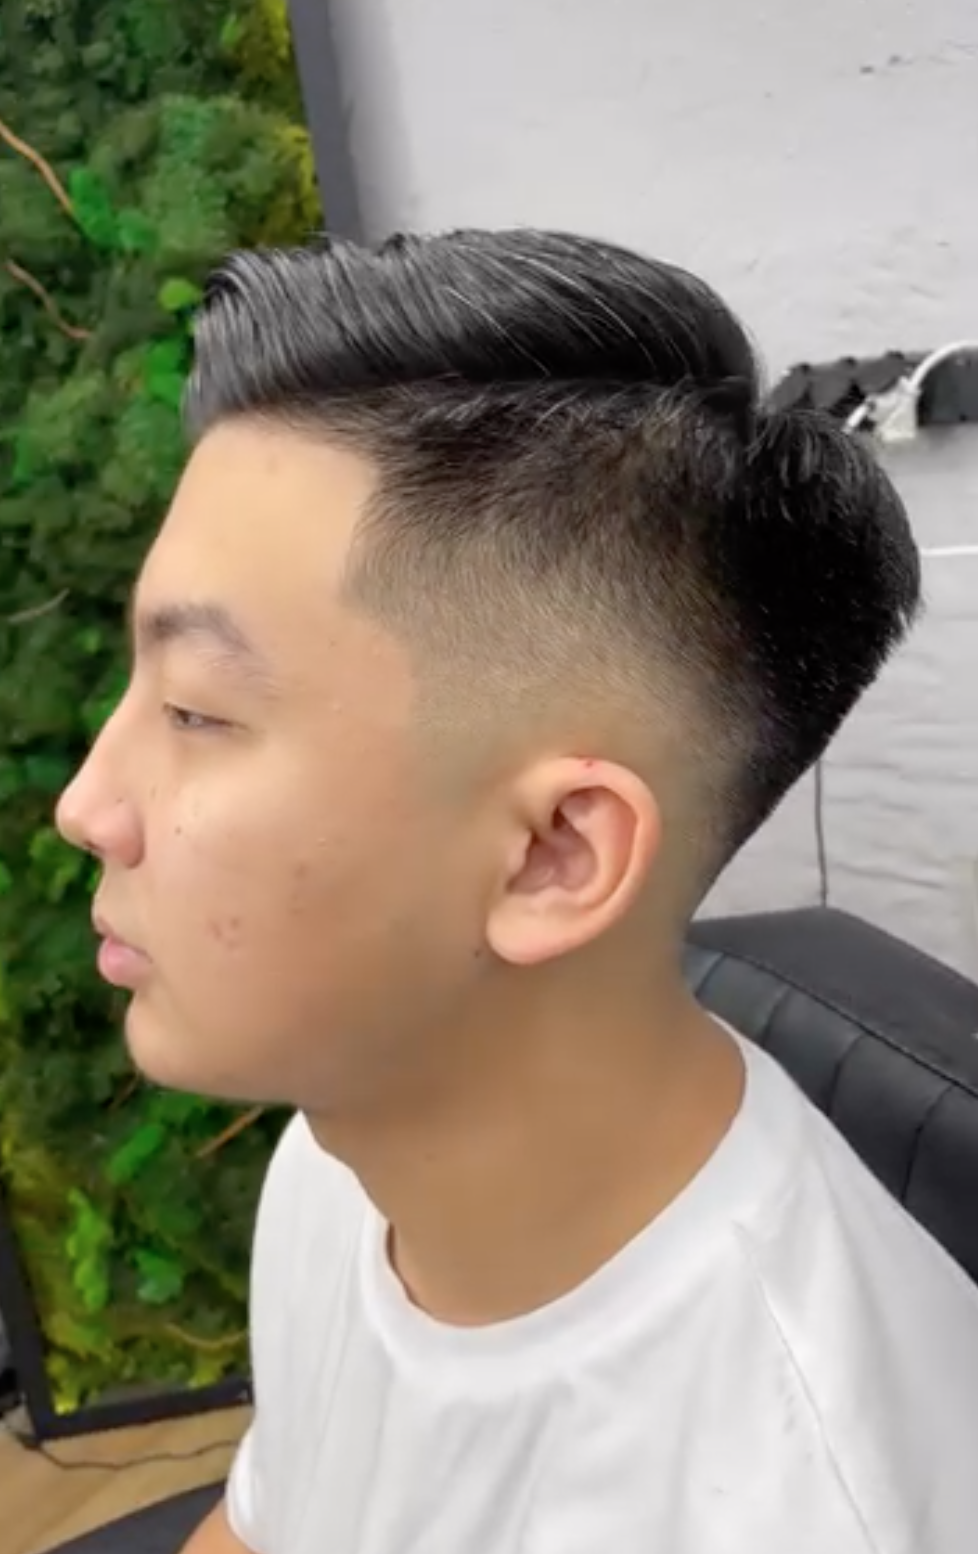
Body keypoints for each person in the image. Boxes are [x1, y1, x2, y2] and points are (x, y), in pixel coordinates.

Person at [55, 228, 978, 1554]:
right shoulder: (349, 1155)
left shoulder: (795, 1502)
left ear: (552, 854)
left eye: (197, 710)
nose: (87, 804)